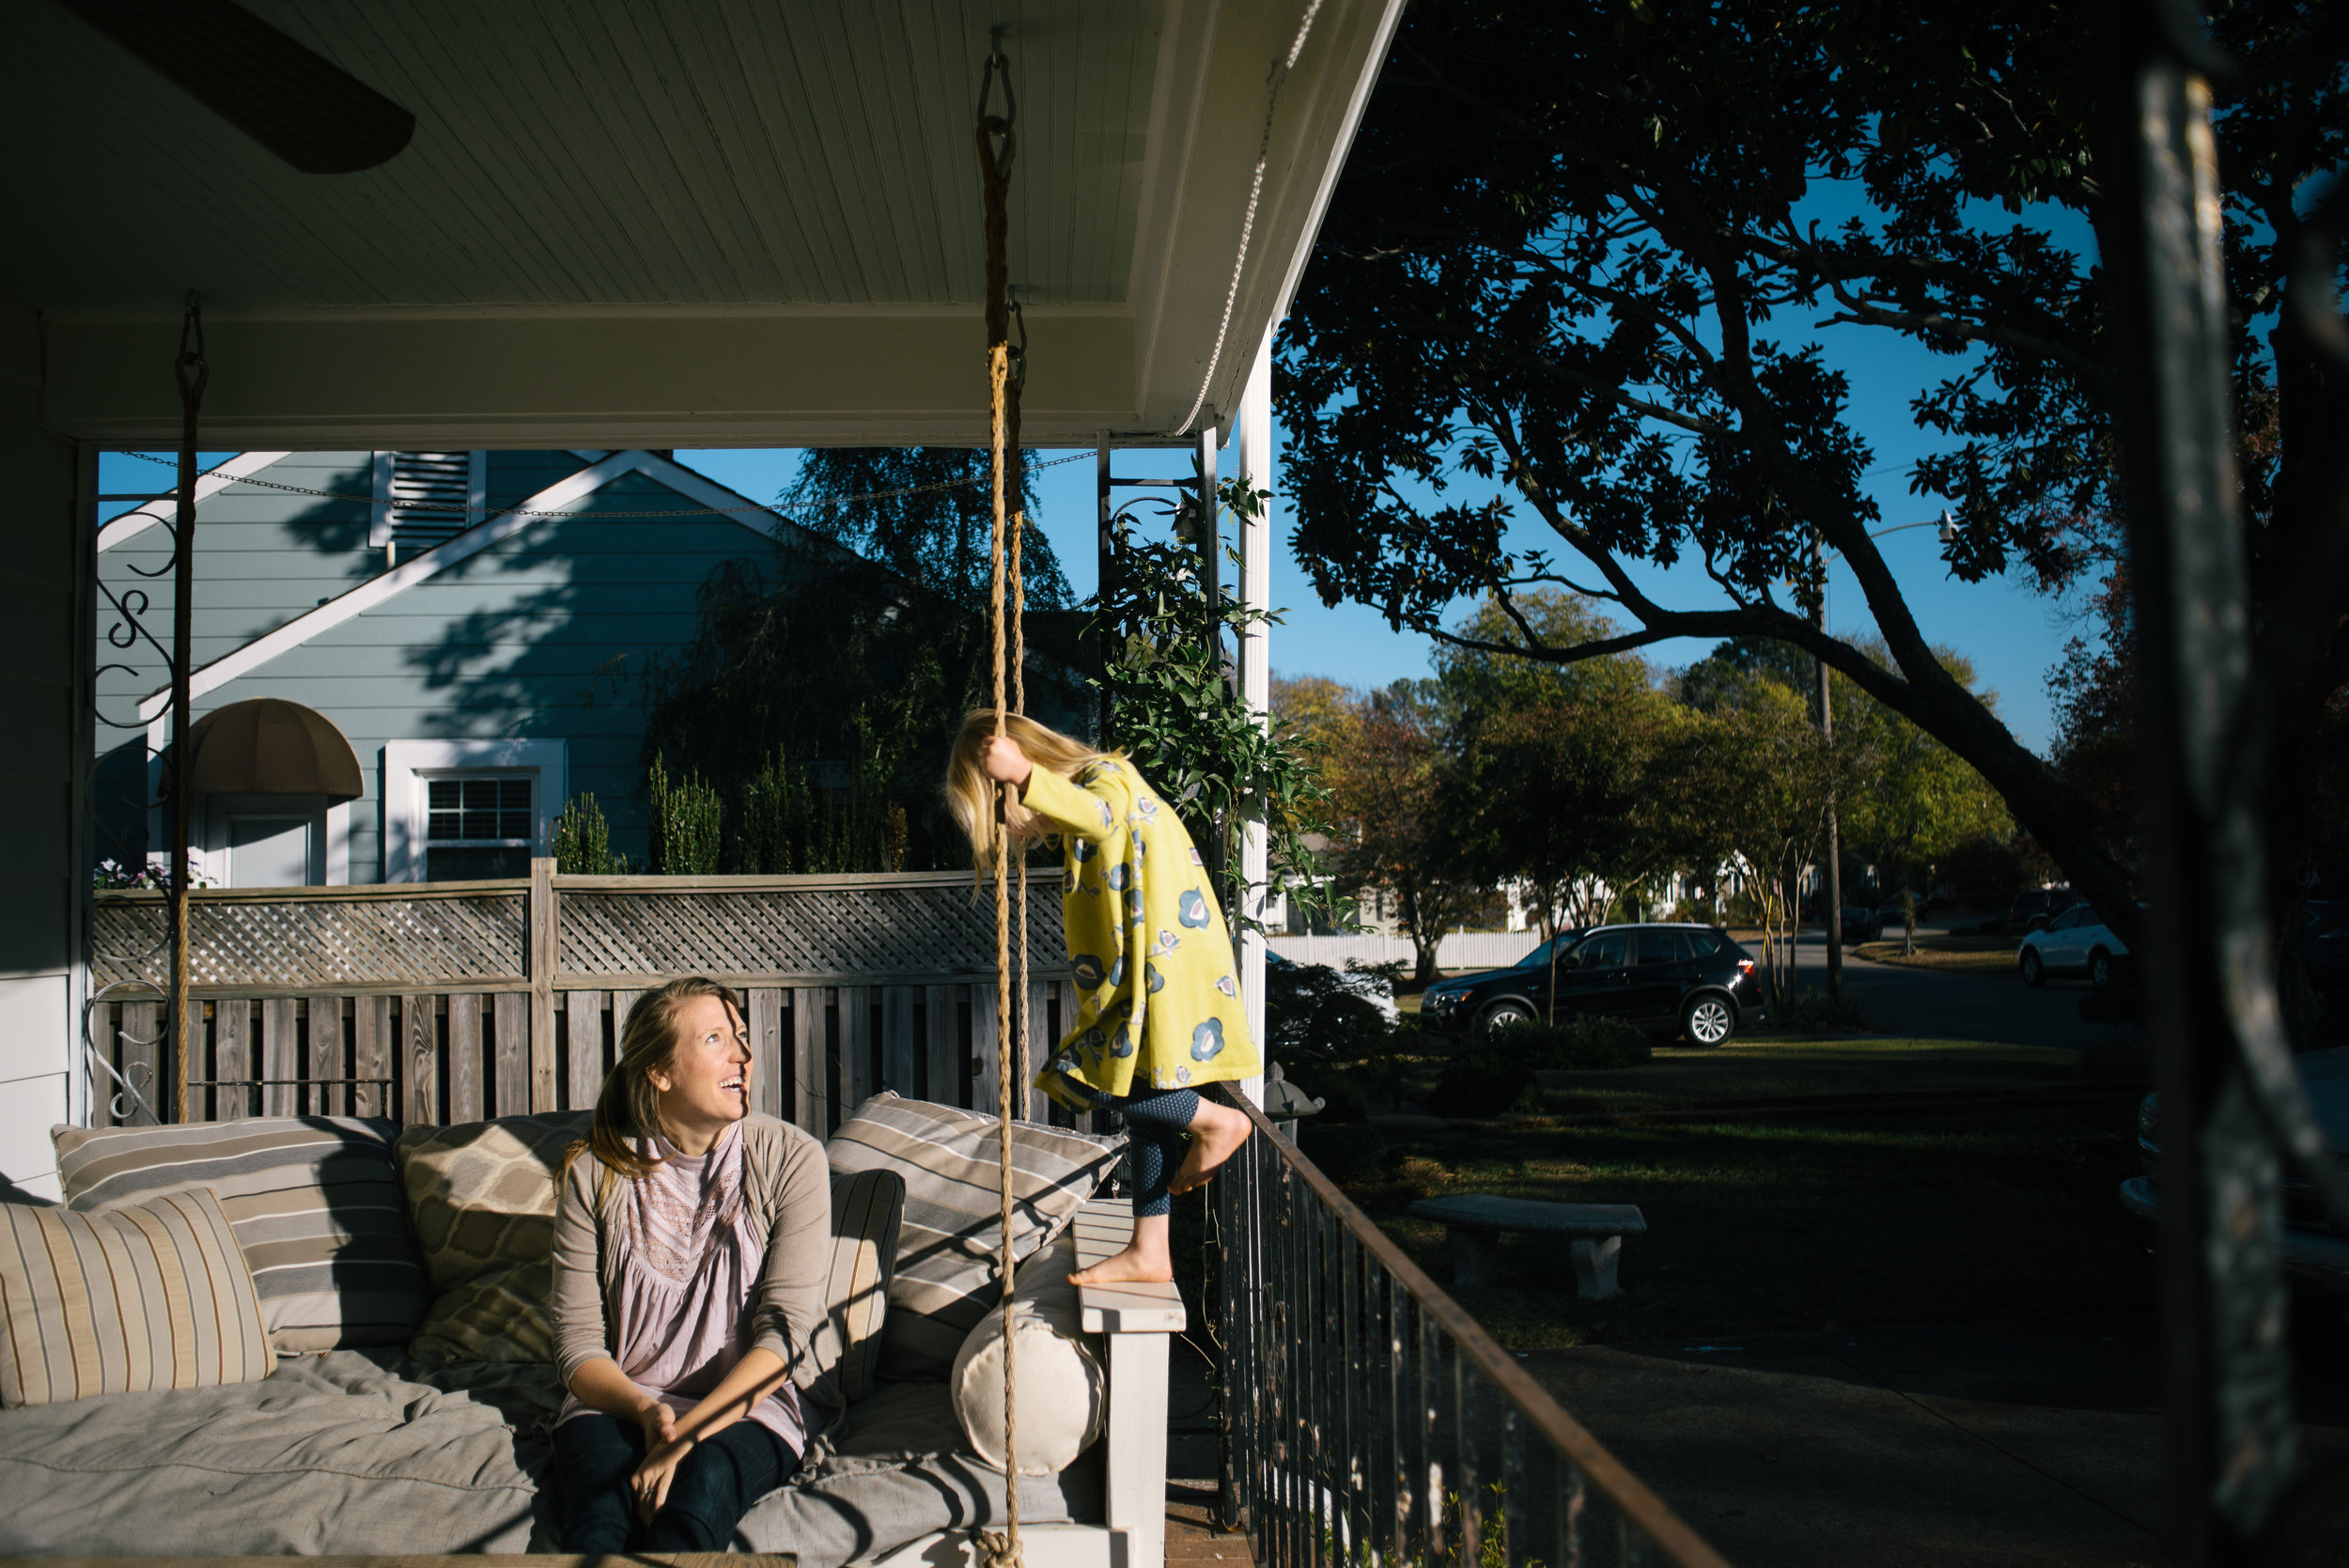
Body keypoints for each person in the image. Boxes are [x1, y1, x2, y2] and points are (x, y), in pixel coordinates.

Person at [946, 710, 1258, 1287]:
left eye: (1000, 812)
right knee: (1146, 1112)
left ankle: (1215, 1122)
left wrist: (1023, 776)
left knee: (1090, 1081)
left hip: (1160, 972)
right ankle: (1150, 1248)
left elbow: (1101, 819)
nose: (1014, 828)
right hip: (1150, 972)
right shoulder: (1092, 796)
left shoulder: (1104, 780)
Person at [549, 976, 835, 1552]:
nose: (744, 1055)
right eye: (715, 1039)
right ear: (660, 1072)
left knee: (696, 1506)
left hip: (755, 1402)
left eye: (743, 1037)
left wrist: (688, 1437)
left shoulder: (791, 1159)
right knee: (598, 1524)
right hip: (621, 1400)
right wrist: (648, 1415)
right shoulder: (593, 1175)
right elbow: (577, 1348)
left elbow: (785, 1337)